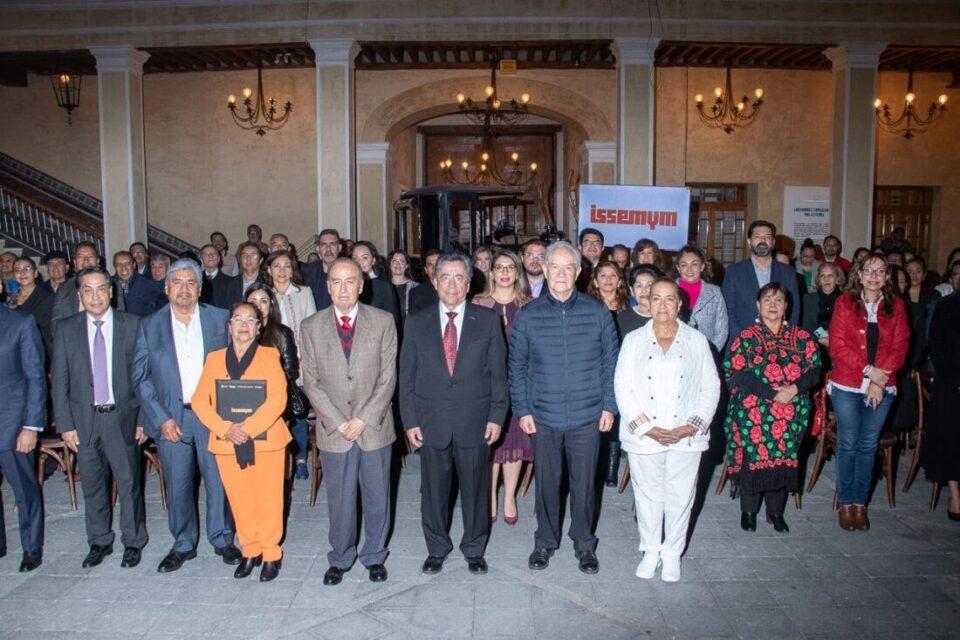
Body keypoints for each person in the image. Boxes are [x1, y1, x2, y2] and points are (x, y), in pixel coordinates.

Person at [510, 241, 618, 574]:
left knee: (584, 485)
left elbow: (611, 364)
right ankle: (544, 541)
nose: (560, 274)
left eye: (567, 267)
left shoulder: (597, 312)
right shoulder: (528, 316)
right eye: (554, 267)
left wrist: (609, 406)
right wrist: (523, 410)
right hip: (543, 415)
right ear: (544, 270)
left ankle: (584, 543)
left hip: (587, 414)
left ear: (578, 271)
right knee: (547, 483)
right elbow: (517, 366)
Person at [399, 253, 507, 575]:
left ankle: (474, 548)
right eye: (445, 277)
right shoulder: (416, 322)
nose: (452, 284)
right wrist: (410, 420)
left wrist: (496, 416)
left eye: (459, 277)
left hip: (475, 421)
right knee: (433, 493)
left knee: (476, 491)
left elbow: (498, 375)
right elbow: (406, 377)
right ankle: (436, 548)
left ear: (469, 284)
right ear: (434, 281)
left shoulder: (487, 321)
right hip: (431, 422)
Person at [133, 258, 240, 572]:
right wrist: (160, 418)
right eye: (177, 282)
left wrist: (230, 415)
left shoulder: (220, 319)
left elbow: (237, 366)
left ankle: (222, 537)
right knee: (178, 483)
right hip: (172, 417)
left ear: (200, 288)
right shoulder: (149, 325)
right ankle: (183, 543)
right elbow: (140, 377)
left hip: (213, 416)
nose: (184, 289)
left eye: (190, 282)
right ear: (166, 288)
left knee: (218, 480)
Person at [614, 278, 719, 581]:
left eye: (669, 298)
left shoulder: (697, 341)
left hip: (685, 434)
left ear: (679, 304)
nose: (662, 305)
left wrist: (691, 426)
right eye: (656, 298)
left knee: (680, 494)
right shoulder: (634, 340)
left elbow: (710, 387)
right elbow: (622, 386)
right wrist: (646, 427)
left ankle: (672, 552)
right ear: (647, 302)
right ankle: (650, 550)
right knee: (647, 494)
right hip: (645, 435)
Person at [301, 258, 397, 585]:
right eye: (336, 282)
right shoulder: (311, 326)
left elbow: (388, 377)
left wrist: (363, 418)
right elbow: (311, 381)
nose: (343, 289)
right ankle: (341, 557)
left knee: (377, 495)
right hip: (334, 429)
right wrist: (339, 421)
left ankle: (375, 555)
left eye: (350, 281)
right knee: (340, 500)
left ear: (361, 285)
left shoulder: (383, 321)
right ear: (328, 287)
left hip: (374, 427)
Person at [51, 265, 148, 569]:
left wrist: (143, 419)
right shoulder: (66, 329)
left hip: (122, 418)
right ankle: (99, 540)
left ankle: (133, 541)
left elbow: (144, 377)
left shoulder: (132, 325)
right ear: (80, 294)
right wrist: (65, 424)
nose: (95, 297)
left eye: (101, 289)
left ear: (111, 291)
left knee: (129, 483)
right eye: (88, 290)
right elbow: (60, 381)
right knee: (92, 484)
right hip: (84, 421)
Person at [191, 302, 289, 582]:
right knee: (239, 498)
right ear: (229, 326)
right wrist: (226, 429)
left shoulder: (269, 355)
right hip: (227, 442)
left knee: (268, 497)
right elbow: (199, 401)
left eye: (250, 320)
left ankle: (270, 553)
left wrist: (247, 429)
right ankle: (250, 549)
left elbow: (278, 398)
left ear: (259, 328)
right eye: (238, 319)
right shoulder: (214, 359)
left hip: (265, 440)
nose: (244, 325)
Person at [723, 282, 821, 534]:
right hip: (754, 408)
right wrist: (772, 394)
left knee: (783, 460)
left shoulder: (802, 338)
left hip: (792, 409)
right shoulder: (746, 337)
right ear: (758, 305)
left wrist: (793, 389)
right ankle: (748, 511)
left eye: (778, 300)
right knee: (752, 458)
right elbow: (738, 373)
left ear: (786, 305)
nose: (773, 305)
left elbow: (814, 372)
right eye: (767, 299)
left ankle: (775, 512)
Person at [828, 253, 909, 531]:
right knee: (848, 443)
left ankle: (860, 503)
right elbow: (837, 346)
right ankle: (845, 503)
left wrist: (878, 380)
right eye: (869, 271)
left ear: (887, 277)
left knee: (868, 445)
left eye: (880, 271)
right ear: (859, 275)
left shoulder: (896, 306)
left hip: (882, 386)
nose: (874, 276)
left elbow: (900, 346)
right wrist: (868, 371)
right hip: (848, 385)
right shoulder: (844, 303)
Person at [472, 250, 532, 525]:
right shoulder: (478, 303)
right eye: (499, 267)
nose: (505, 272)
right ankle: (490, 497)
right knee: (490, 441)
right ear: (491, 272)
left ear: (517, 272)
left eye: (510, 267)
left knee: (515, 440)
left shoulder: (528, 305)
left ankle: (509, 497)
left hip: (519, 382)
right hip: (485, 383)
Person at [0, 305, 46, 573]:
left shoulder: (21, 323)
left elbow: (35, 377)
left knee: (24, 490)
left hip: (13, 425)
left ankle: (31, 547)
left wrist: (31, 426)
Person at [265, 250, 316, 479]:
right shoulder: (265, 295)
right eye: (277, 266)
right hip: (271, 362)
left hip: (300, 361)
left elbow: (312, 326)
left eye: (286, 265)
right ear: (269, 270)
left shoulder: (304, 293)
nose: (282, 270)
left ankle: (301, 458)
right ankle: (278, 458)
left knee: (298, 410)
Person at [922, 260, 960, 520]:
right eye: (956, 274)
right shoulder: (945, 307)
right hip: (950, 384)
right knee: (950, 436)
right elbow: (936, 347)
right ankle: (955, 494)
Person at [721, 220, 800, 342]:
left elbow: (794, 308)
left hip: (780, 343)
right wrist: (744, 340)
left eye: (767, 237)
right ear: (749, 242)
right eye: (757, 236)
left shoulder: (787, 272)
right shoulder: (734, 272)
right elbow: (727, 310)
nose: (762, 240)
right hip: (742, 342)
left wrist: (784, 338)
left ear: (773, 243)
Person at [586, 260, 628, 486]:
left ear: (619, 280)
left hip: (622, 365)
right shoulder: (588, 306)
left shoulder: (628, 307)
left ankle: (611, 468)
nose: (608, 280)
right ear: (595, 280)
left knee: (615, 414)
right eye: (603, 275)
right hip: (595, 366)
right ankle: (596, 463)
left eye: (613, 275)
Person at [244, 284, 301, 429]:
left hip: (276, 400)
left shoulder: (282, 333)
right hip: (245, 398)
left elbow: (291, 371)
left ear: (271, 304)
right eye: (253, 301)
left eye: (263, 301)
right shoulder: (239, 332)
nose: (258, 306)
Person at [675, 245, 727, 353]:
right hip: (675, 353)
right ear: (678, 268)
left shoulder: (715, 293)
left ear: (702, 266)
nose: (689, 269)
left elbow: (722, 330)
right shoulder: (668, 290)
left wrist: (710, 353)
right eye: (684, 265)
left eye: (694, 264)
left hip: (707, 353)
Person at [801, 262, 845, 367]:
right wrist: (823, 339)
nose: (826, 279)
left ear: (837, 279)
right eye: (822, 276)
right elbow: (807, 326)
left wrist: (833, 340)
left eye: (830, 276)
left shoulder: (846, 300)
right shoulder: (809, 298)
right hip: (817, 344)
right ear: (818, 279)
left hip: (841, 346)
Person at [352, 241, 401, 330]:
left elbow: (392, 320)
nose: (359, 262)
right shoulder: (347, 284)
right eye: (355, 258)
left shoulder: (384, 286)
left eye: (365, 258)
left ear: (373, 261)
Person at [12, 257, 54, 352]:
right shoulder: (10, 299)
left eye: (27, 268)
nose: (22, 273)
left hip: (37, 349)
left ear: (35, 273)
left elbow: (49, 333)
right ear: (14, 276)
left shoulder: (47, 298)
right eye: (17, 270)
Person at [52, 240, 100, 322]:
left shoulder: (108, 284)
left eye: (90, 256)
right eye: (81, 257)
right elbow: (56, 321)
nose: (86, 260)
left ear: (97, 261)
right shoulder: (64, 288)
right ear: (75, 262)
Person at [112, 251, 164, 317]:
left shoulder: (147, 286)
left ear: (134, 265)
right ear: (115, 267)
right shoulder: (108, 284)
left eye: (127, 264)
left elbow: (151, 315)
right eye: (119, 265)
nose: (123, 268)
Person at [617, 264, 662, 338]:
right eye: (639, 286)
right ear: (632, 290)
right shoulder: (622, 318)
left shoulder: (666, 315)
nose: (644, 290)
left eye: (649, 285)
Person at [301, 229, 341, 311]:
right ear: (318, 249)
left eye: (332, 244)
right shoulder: (306, 272)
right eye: (324, 245)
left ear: (339, 248)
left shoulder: (349, 272)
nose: (328, 249)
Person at [198, 243, 233, 308]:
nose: (210, 256)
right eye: (206, 254)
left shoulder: (231, 282)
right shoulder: (195, 279)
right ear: (201, 259)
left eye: (213, 254)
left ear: (219, 259)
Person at [407, 249, 441, 314]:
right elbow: (414, 318)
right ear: (426, 270)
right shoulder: (416, 293)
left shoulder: (454, 289)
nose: (434, 268)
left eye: (437, 264)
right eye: (430, 265)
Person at [388, 249, 418, 321]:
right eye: (394, 261)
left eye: (401, 261)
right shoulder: (382, 286)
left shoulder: (416, 287)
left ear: (406, 265)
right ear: (389, 264)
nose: (398, 264)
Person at [575, 228, 604, 292]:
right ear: (579, 247)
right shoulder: (574, 270)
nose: (592, 246)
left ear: (602, 248)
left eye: (597, 243)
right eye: (587, 243)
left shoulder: (608, 269)